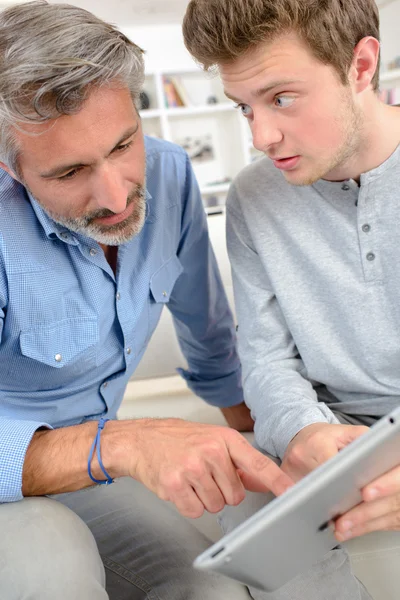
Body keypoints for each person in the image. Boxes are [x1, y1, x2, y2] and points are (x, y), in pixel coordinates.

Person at [0, 2, 294, 599]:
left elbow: (207, 333)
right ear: (10, 165)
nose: (115, 197)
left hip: (97, 469)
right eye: (68, 172)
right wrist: (126, 442)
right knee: (55, 569)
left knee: (213, 589)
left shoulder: (169, 174)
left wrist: (269, 446)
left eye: (123, 143)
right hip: (19, 479)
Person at [183, 0, 400, 598]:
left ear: (360, 66)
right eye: (243, 107)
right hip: (336, 424)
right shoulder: (253, 197)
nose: (261, 136)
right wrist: (303, 432)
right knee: (248, 509)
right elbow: (267, 359)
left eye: (280, 98)